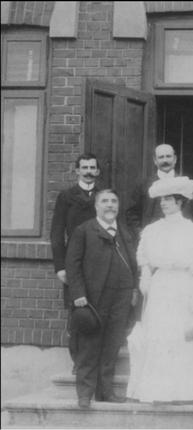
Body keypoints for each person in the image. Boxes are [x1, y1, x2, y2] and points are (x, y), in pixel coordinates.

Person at [126, 176, 193, 403]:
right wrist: (146, 283)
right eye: (162, 200)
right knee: (159, 336)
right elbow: (144, 260)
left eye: (168, 199)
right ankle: (157, 390)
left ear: (180, 202)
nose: (163, 204)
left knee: (182, 338)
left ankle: (186, 390)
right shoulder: (151, 230)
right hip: (160, 288)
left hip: (184, 288)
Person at [65, 189, 138, 409]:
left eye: (114, 201)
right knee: (89, 346)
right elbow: (73, 264)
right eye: (104, 201)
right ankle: (85, 394)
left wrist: (133, 289)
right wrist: (78, 294)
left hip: (121, 297)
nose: (110, 205)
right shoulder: (84, 231)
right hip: (93, 298)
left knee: (112, 345)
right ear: (96, 206)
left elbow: (133, 264)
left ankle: (105, 391)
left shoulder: (124, 232)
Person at [50, 153, 101, 367]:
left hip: (99, 261)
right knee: (78, 313)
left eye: (92, 168)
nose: (88, 171)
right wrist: (60, 267)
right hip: (74, 263)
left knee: (98, 309)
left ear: (97, 171)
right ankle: (78, 362)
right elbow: (56, 232)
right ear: (77, 170)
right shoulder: (66, 196)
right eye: (84, 167)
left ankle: (96, 361)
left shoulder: (103, 196)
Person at [126, 143, 193, 233]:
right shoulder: (144, 185)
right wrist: (140, 233)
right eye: (161, 157)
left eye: (168, 156)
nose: (165, 160)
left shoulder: (187, 184)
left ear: (175, 159)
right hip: (153, 239)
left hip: (181, 238)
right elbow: (132, 213)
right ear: (155, 160)